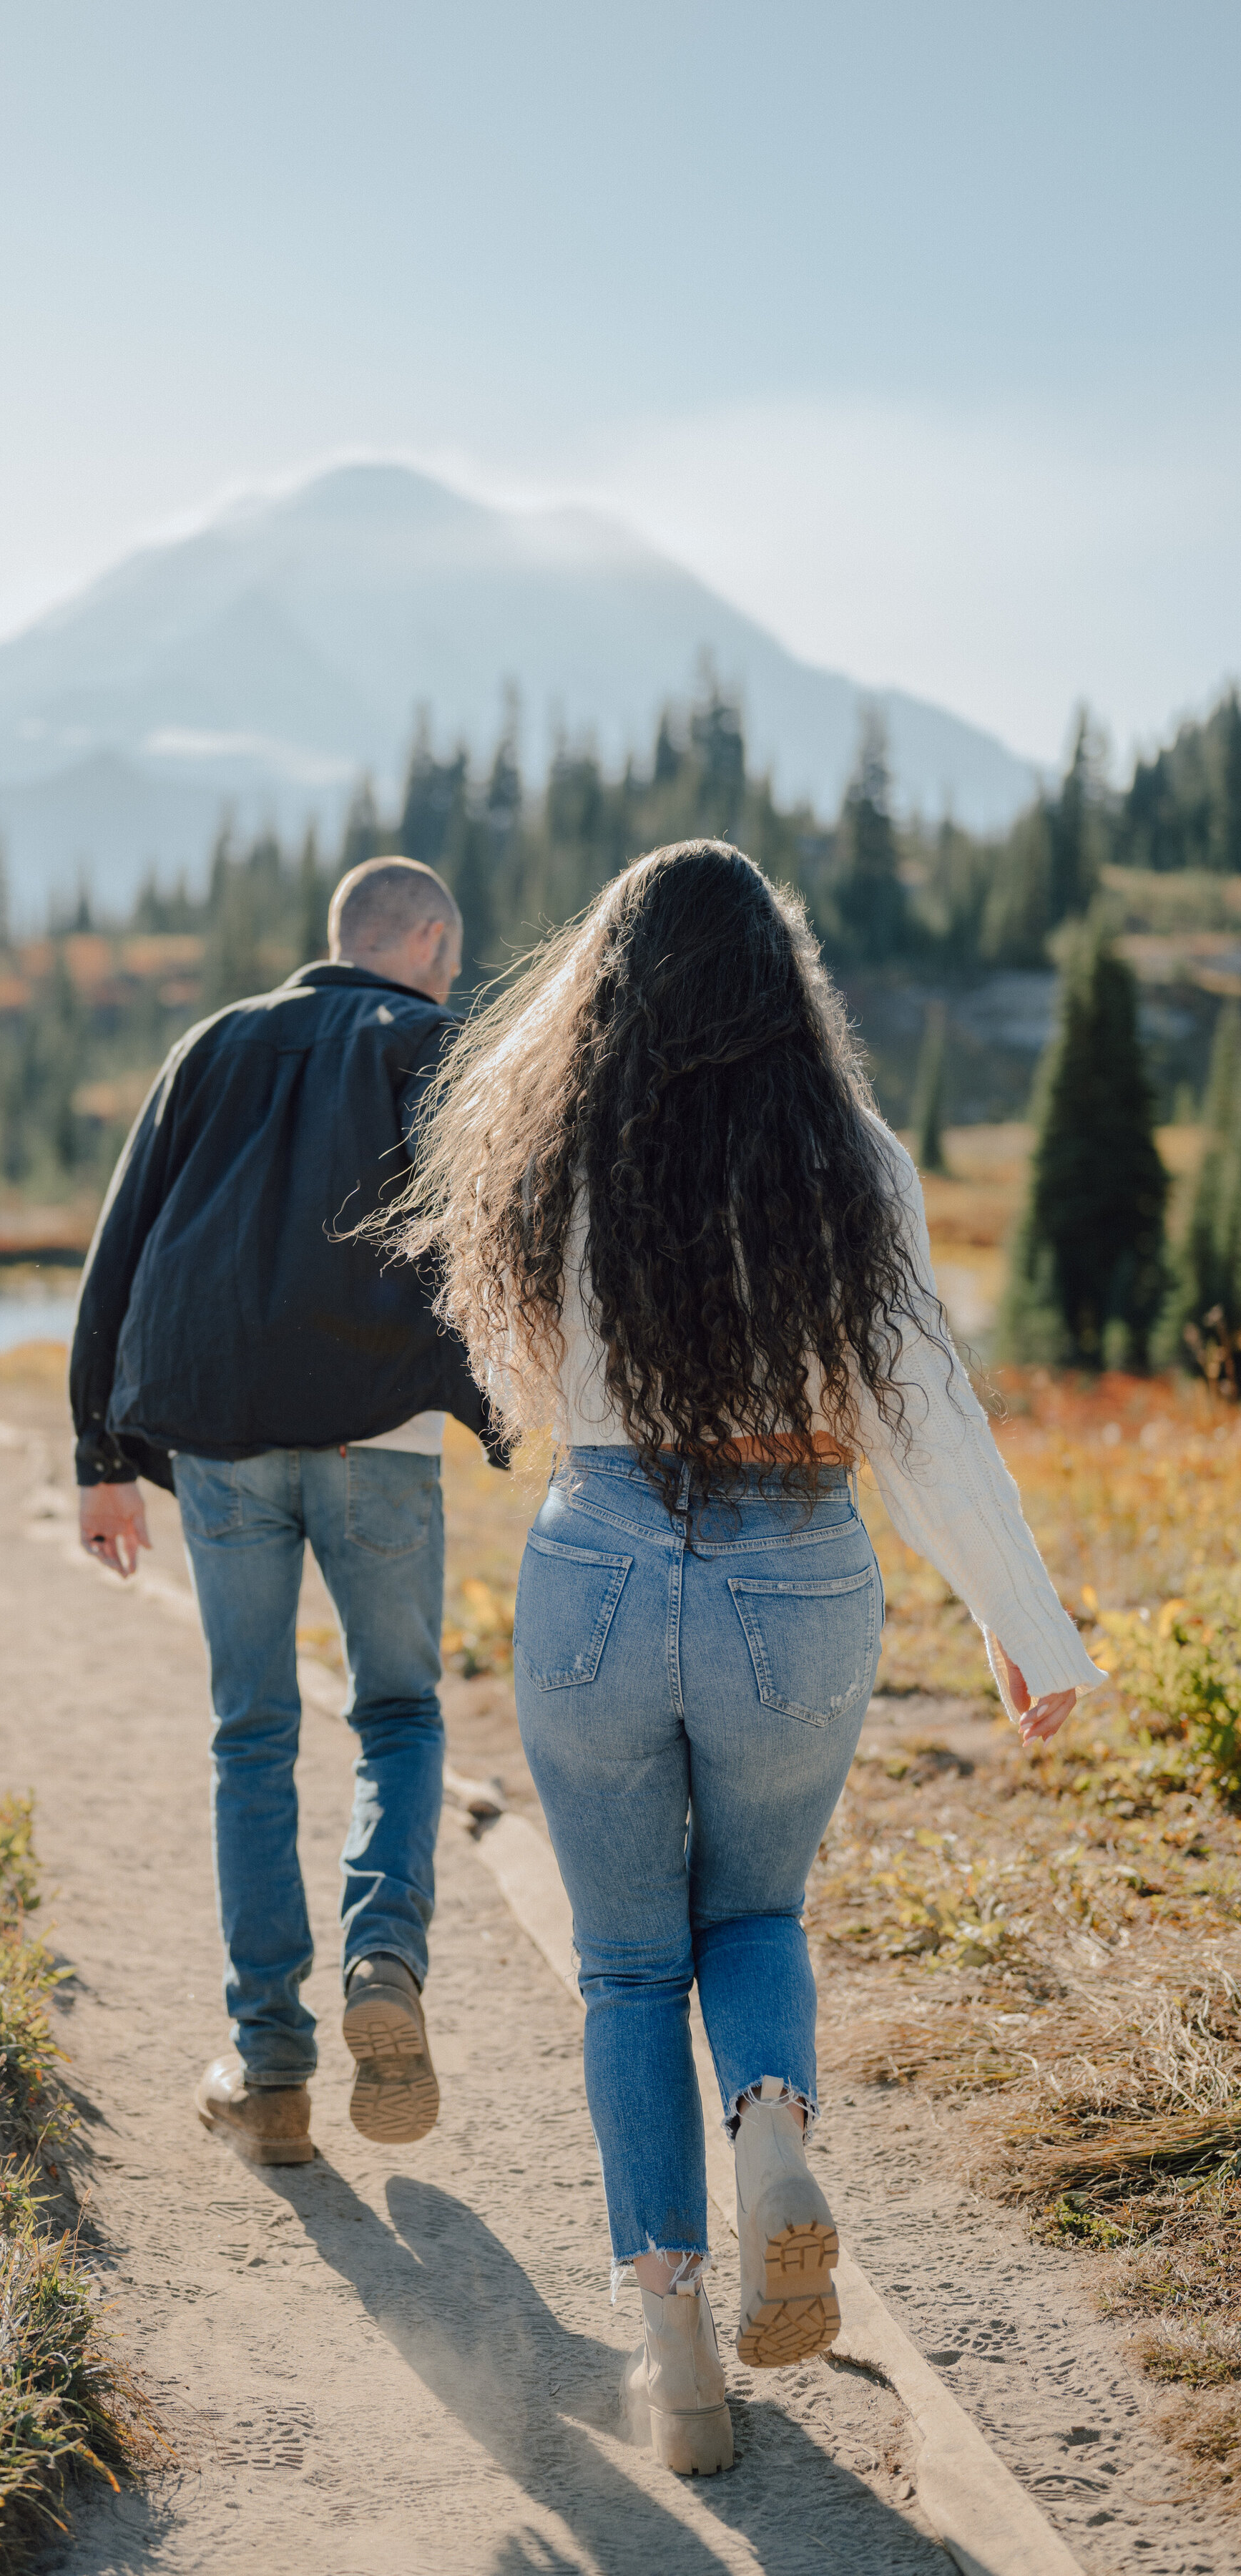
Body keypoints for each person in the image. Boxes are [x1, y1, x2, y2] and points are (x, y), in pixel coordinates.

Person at [382, 840, 1104, 2476]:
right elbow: (928, 1418)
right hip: (798, 1567)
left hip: (600, 1561)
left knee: (629, 1966)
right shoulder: (855, 1158)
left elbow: (530, 1389)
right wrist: (1022, 1624)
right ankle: (773, 2135)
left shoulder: (549, 1150)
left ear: (603, 986)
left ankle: (679, 2357)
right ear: (788, 979)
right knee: (757, 1912)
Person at [70, 855, 504, 2166]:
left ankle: (269, 2071)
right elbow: (498, 1234)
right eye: (452, 950)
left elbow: (124, 1237)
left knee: (250, 1734)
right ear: (425, 936)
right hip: (382, 1437)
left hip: (220, 1440)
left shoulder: (217, 1041)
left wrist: (98, 1450)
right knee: (397, 1715)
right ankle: (386, 1957)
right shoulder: (437, 1043)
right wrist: (519, 1416)